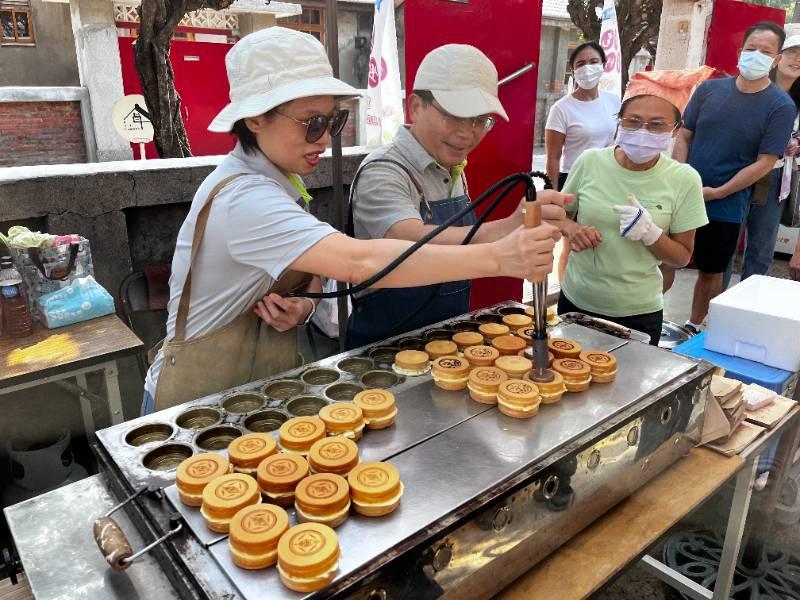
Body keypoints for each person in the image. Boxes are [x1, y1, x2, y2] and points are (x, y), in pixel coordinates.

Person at [142, 28, 566, 414]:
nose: (327, 139)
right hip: (196, 400)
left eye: (335, 121)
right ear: (255, 118)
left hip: (255, 386)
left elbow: (312, 274)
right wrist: (498, 257)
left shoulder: (278, 183)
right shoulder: (245, 198)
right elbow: (358, 262)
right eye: (314, 123)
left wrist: (304, 306)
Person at [346, 44, 538, 348]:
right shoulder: (383, 170)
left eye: (479, 120)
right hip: (385, 349)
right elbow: (408, 240)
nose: (467, 133)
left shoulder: (452, 166)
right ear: (416, 106)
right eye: (453, 115)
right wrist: (507, 228)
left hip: (449, 337)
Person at [558, 70, 710, 345]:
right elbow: (559, 217)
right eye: (634, 122)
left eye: (656, 125)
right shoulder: (590, 162)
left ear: (675, 130)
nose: (643, 132)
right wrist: (572, 229)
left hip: (638, 311)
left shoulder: (684, 179)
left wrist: (651, 234)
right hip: (577, 301)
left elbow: (681, 257)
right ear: (619, 122)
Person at [670, 22, 796, 334]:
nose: (756, 55)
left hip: (726, 204)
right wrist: (681, 175)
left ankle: (694, 328)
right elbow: (684, 134)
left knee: (711, 271)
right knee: (664, 259)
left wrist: (720, 191)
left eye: (765, 51)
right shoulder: (709, 89)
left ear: (776, 60)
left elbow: (766, 162)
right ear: (740, 52)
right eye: (750, 48)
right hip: (681, 195)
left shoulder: (781, 106)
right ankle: (647, 314)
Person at [722, 33, 800, 287]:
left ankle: (750, 306)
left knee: (762, 248)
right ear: (778, 58)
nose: (797, 60)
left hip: (776, 177)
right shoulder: (753, 85)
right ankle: (714, 305)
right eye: (792, 52)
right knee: (726, 242)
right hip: (738, 170)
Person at [545, 41, 620, 281]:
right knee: (572, 244)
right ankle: (567, 297)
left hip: (607, 180)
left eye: (593, 62)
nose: (587, 68)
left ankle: (595, 291)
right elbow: (553, 157)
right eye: (581, 64)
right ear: (573, 70)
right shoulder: (562, 109)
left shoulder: (613, 102)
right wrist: (554, 194)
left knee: (603, 239)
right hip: (574, 182)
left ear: (603, 65)